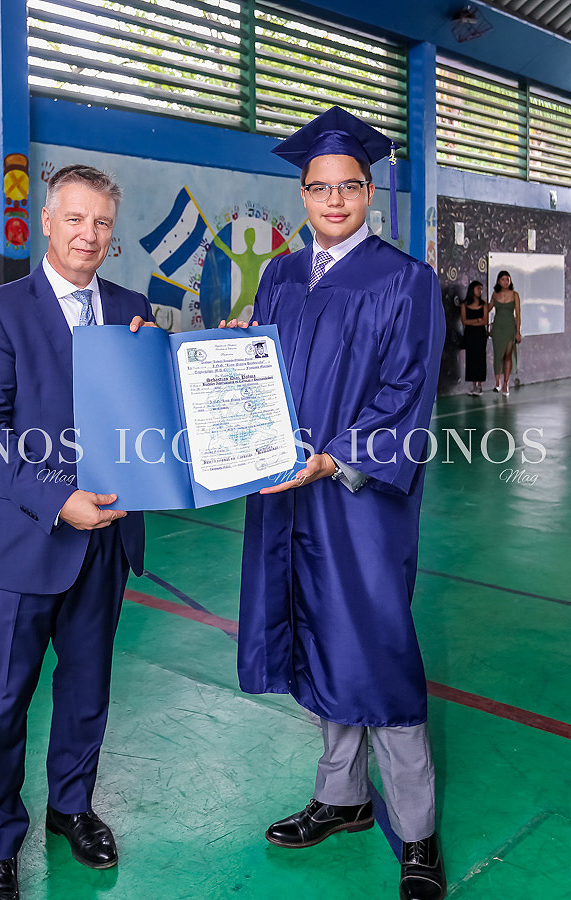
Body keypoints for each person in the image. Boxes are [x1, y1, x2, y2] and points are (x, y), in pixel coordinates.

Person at [227, 106, 446, 899]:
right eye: (319, 188)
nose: (333, 200)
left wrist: (334, 459)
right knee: (316, 636)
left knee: (375, 649)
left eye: (348, 186)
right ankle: (342, 797)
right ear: (303, 194)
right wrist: (231, 351)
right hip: (285, 492)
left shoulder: (405, 280)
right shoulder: (281, 276)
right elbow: (259, 374)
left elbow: (407, 392)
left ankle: (417, 833)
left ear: (368, 191)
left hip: (357, 500)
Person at [0, 164, 154, 900]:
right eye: (75, 219)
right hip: (24, 540)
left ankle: (72, 808)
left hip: (107, 537)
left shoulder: (132, 309)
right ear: (46, 221)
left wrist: (201, 358)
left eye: (101, 223)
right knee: (3, 701)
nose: (88, 235)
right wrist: (58, 498)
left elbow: (154, 409)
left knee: (86, 689)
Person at [490, 270, 521, 396]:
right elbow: (488, 308)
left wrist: (518, 332)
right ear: (498, 281)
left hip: (510, 327)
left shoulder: (515, 295)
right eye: (503, 279)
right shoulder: (495, 294)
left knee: (508, 355)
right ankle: (497, 382)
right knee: (498, 355)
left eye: (507, 279)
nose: (505, 282)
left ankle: (505, 383)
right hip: (498, 327)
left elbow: (518, 314)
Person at [461, 280, 488, 394]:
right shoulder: (464, 305)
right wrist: (477, 320)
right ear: (472, 290)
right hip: (470, 334)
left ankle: (480, 385)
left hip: (480, 334)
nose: (480, 291)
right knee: (471, 358)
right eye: (478, 289)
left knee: (480, 358)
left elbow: (485, 321)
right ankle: (473, 385)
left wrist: (472, 322)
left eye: (481, 289)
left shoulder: (484, 304)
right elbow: (464, 321)